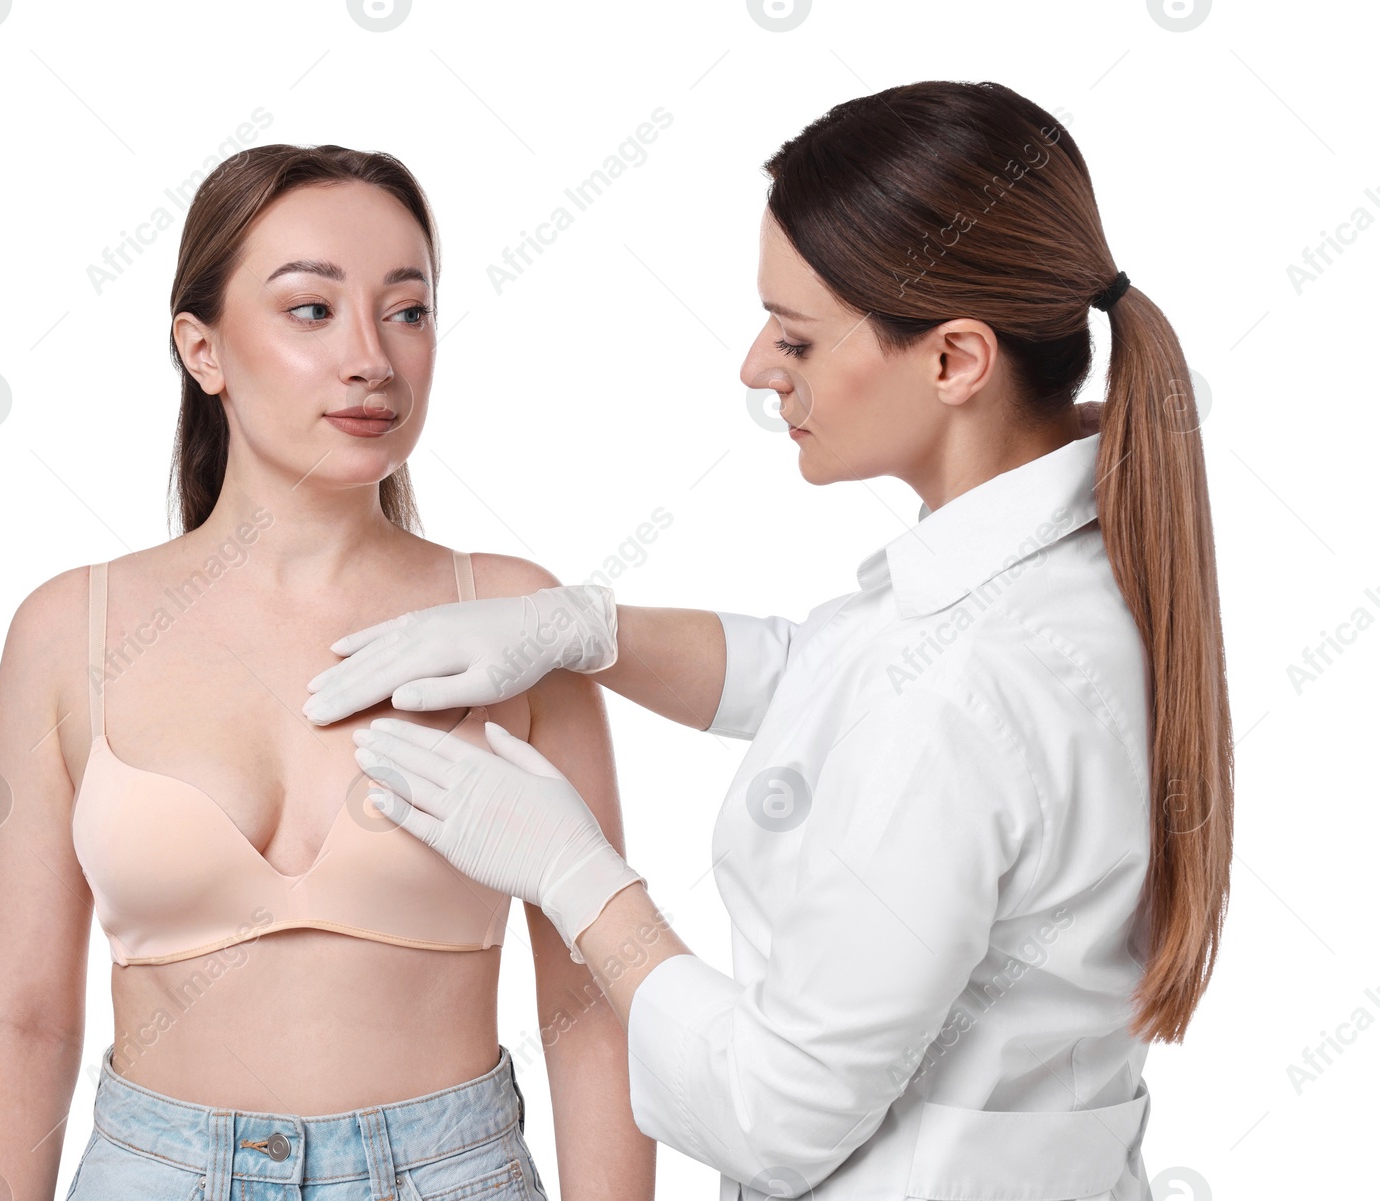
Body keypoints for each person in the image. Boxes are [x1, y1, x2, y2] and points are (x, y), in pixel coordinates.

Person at [305, 81, 1234, 1200]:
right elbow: (825, 673)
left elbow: (772, 1112)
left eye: (794, 334)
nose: (755, 366)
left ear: (953, 361)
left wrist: (578, 879)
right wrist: (589, 629)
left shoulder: (966, 688)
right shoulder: (1051, 580)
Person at [0, 144, 654, 1201]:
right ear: (203, 350)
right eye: (312, 311)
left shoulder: (512, 620)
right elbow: (22, 1013)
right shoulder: (70, 629)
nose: (372, 357)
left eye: (407, 310)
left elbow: (589, 1001)